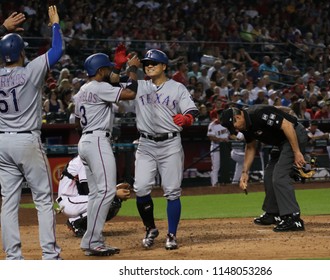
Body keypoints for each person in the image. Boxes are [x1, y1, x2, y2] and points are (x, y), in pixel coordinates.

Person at [111, 48, 199, 250]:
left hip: (170, 144)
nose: (149, 66)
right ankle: (150, 228)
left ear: (164, 66)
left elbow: (191, 110)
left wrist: (186, 118)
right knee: (141, 188)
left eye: (154, 63)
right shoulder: (138, 86)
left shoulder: (177, 88)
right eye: (146, 64)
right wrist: (118, 66)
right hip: (146, 144)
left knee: (172, 191)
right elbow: (113, 82)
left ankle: (172, 234)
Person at [0, 6, 62, 260]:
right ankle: (50, 256)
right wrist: (55, 25)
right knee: (44, 200)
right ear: (22, 53)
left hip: (2, 141)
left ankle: (14, 259)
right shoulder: (31, 70)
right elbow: (57, 51)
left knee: (9, 202)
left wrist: (3, 28)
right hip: (27, 139)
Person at [73, 52, 137, 256]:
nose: (109, 71)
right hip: (98, 141)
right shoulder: (100, 88)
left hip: (84, 140)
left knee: (96, 194)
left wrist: (118, 70)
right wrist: (133, 70)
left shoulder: (81, 91)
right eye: (107, 68)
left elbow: (76, 122)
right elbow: (131, 93)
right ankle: (92, 239)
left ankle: (92, 240)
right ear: (100, 71)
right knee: (108, 191)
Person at [220, 105, 308, 232]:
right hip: (281, 142)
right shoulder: (245, 126)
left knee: (279, 176)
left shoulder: (259, 114)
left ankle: (293, 218)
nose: (235, 130)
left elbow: (287, 126)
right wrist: (244, 172)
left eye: (234, 126)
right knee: (269, 175)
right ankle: (273, 214)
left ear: (238, 117)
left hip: (294, 135)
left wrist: (297, 152)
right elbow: (250, 147)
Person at [56, 155, 131, 237]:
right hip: (70, 202)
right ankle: (75, 222)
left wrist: (113, 191)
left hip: (78, 201)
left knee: (113, 201)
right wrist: (114, 193)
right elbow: (89, 191)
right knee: (109, 201)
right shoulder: (83, 161)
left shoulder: (89, 160)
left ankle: (84, 226)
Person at [207, 109, 231, 187]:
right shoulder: (212, 124)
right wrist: (221, 140)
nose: (221, 115)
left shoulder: (226, 123)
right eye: (219, 114)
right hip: (216, 148)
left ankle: (225, 182)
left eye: (222, 114)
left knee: (225, 166)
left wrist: (229, 138)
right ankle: (214, 184)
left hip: (225, 148)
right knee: (216, 167)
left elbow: (230, 134)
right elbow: (211, 137)